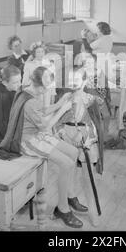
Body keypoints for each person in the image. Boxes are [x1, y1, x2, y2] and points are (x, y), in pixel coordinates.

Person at [20, 66, 87, 229]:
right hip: (28, 140)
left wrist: (59, 102)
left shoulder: (30, 92)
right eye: (45, 89)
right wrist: (63, 109)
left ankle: (70, 196)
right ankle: (62, 209)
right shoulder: (29, 100)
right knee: (67, 163)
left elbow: (43, 110)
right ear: (39, 85)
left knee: (73, 151)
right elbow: (46, 125)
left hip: (38, 133)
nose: (46, 92)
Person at [55, 66, 103, 226]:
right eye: (71, 79)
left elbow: (96, 123)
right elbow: (57, 122)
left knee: (88, 178)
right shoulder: (65, 97)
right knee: (68, 172)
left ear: (84, 81)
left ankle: (93, 212)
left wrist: (87, 138)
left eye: (76, 79)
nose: (73, 82)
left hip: (86, 139)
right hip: (67, 138)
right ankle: (68, 200)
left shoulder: (90, 99)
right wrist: (63, 133)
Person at [0, 65, 21, 143]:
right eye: (15, 82)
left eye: (20, 80)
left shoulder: (15, 89)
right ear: (5, 82)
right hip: (2, 136)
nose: (19, 84)